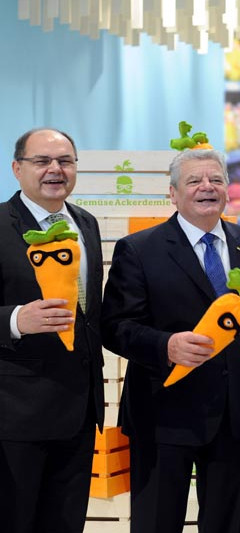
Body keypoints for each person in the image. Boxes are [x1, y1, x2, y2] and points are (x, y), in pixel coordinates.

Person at [101, 148, 240, 533]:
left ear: (228, 190)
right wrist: (166, 346)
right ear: (172, 193)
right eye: (194, 181)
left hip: (232, 414)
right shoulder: (138, 248)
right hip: (163, 411)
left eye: (216, 180)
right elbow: (116, 326)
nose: (207, 187)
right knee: (156, 521)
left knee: (223, 522)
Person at [0, 128, 104, 533]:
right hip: (16, 415)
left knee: (65, 523)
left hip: (79, 412)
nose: (55, 170)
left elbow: (90, 315)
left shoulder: (86, 223)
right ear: (17, 168)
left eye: (65, 161)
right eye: (42, 161)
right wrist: (14, 320)